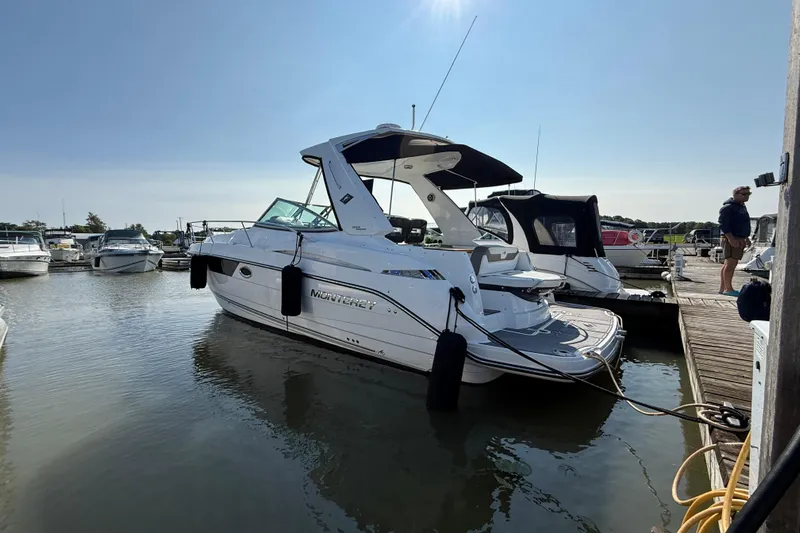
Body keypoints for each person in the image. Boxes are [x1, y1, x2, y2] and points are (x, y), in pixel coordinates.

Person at [718, 186, 752, 296]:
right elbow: (723, 224)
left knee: (729, 263)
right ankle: (728, 289)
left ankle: (723, 288)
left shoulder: (741, 207)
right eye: (744, 194)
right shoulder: (728, 207)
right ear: (735, 194)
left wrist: (746, 238)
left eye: (748, 194)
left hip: (739, 237)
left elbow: (742, 224)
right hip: (732, 238)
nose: (747, 196)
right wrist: (731, 239)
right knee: (731, 264)